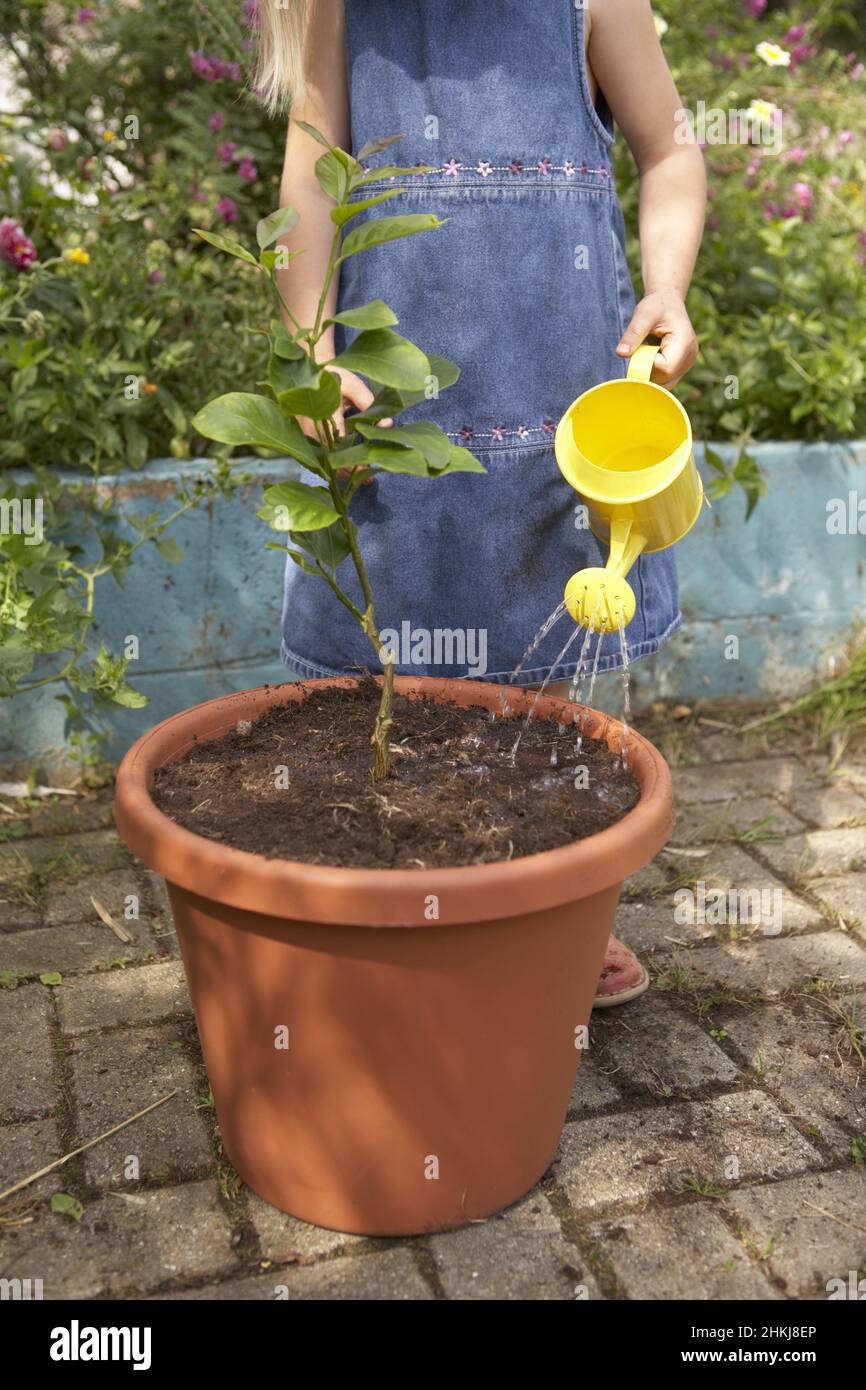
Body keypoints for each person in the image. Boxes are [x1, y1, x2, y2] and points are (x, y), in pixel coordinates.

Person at [261, 0, 705, 1006]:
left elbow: (666, 146)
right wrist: (309, 348)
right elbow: (309, 170)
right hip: (389, 401)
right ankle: (404, 898)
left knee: (539, 664)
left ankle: (546, 902)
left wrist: (666, 288)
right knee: (388, 656)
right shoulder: (347, 10)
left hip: (546, 393)